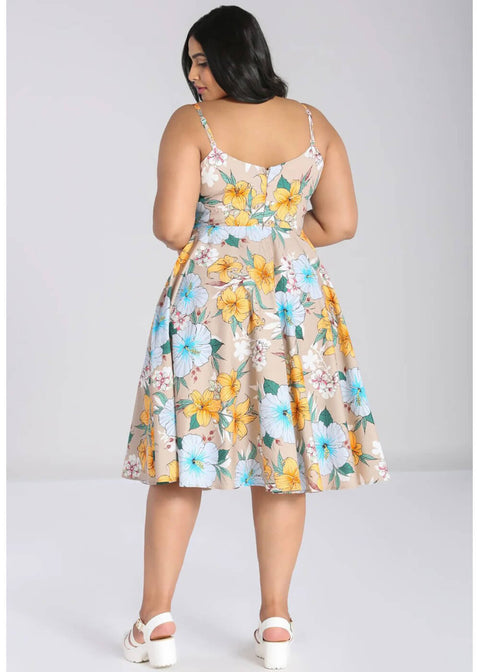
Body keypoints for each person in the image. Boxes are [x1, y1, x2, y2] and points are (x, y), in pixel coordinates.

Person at [121, 5, 390, 669]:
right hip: (294, 305)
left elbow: (170, 228)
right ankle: (276, 623)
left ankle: (156, 621)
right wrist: (279, 240)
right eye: (189, 63)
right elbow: (342, 222)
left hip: (209, 305)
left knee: (182, 455)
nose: (194, 75)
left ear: (236, 56)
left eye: (203, 59)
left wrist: (226, 239)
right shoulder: (313, 123)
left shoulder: (192, 124)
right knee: (283, 457)